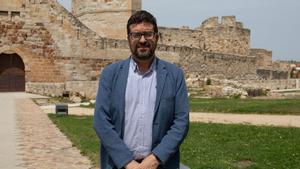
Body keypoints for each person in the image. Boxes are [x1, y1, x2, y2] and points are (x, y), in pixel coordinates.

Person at [93, 10, 189, 169]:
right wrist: (127, 162)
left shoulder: (174, 75)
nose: (142, 40)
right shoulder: (110, 74)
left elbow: (181, 122)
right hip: (119, 165)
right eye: (136, 35)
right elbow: (101, 121)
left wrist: (155, 159)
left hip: (160, 165)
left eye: (148, 34)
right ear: (129, 39)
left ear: (157, 37)